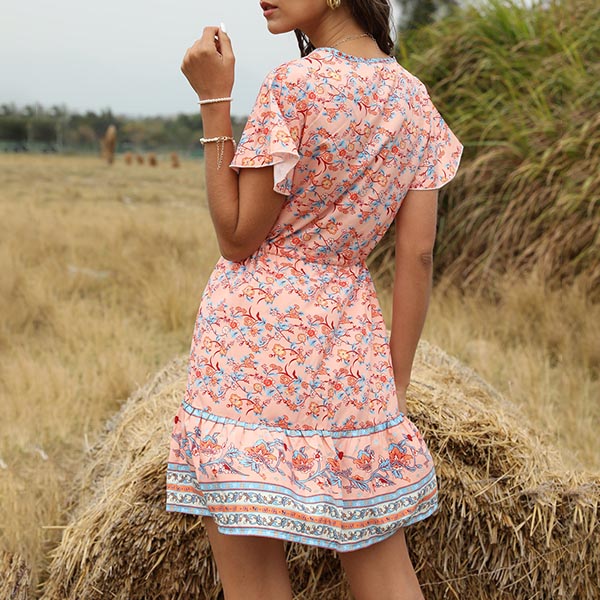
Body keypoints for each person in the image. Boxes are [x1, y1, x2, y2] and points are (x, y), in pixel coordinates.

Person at [166, 0, 463, 598]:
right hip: (350, 346)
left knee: (254, 584)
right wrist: (393, 381)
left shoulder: (293, 86)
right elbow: (418, 256)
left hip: (251, 350)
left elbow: (238, 237)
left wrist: (214, 100)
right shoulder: (414, 100)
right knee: (386, 574)